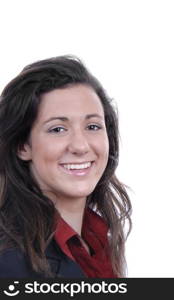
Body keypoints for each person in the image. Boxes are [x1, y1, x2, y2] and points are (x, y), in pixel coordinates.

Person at [0, 56, 132, 277]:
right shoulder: (8, 261)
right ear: (23, 146)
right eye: (58, 129)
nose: (80, 146)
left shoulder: (99, 244)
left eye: (92, 126)